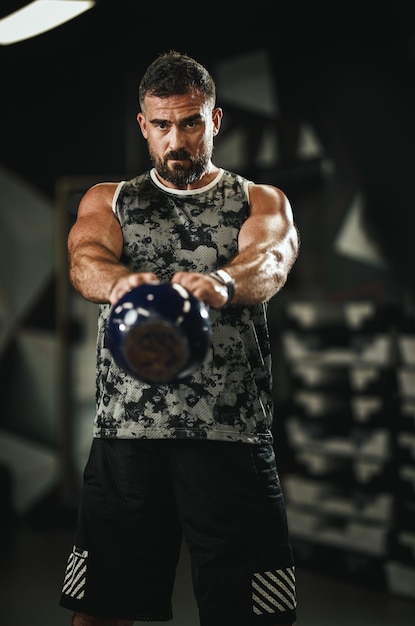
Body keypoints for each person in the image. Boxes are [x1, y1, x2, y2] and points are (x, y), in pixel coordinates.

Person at [59, 50, 300, 626]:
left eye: (191, 123)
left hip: (229, 432)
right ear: (143, 126)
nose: (177, 141)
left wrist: (220, 281)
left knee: (252, 615)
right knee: (101, 610)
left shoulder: (258, 200)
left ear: (214, 121)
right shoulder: (110, 198)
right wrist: (122, 282)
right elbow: (85, 260)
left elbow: (269, 262)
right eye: (162, 126)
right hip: (127, 435)